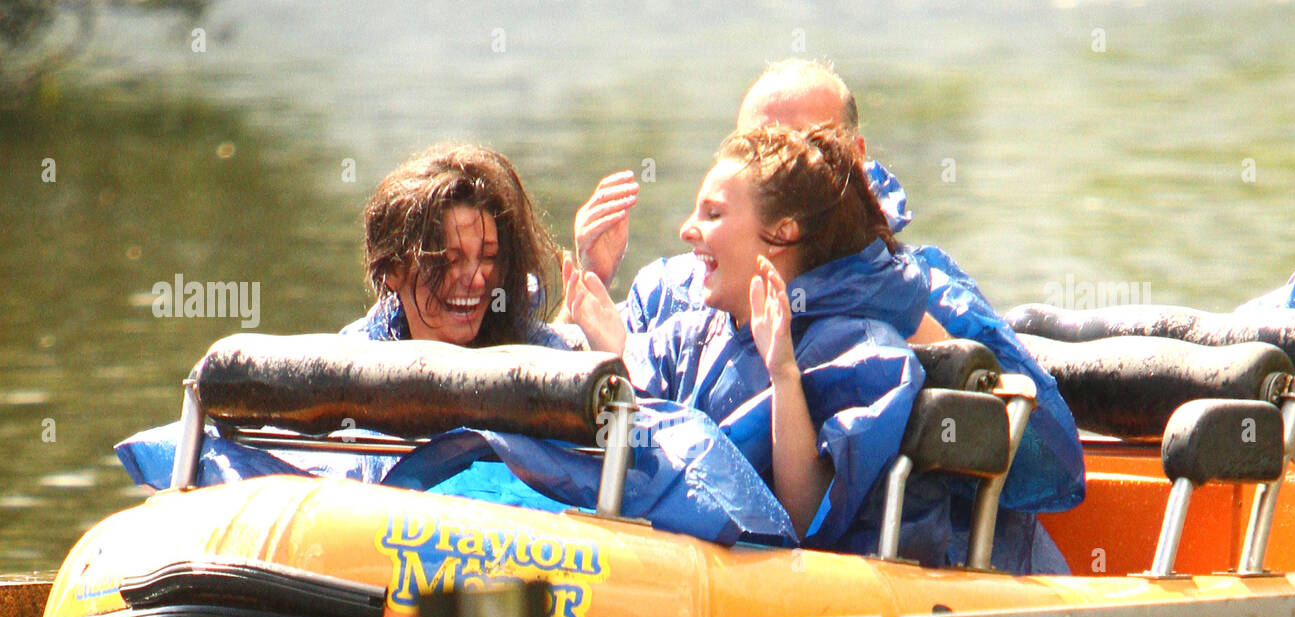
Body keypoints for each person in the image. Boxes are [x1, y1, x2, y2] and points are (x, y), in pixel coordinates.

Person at [570, 59, 1084, 571]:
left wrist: (913, 321)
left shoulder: (921, 289)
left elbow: (1052, 466)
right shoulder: (673, 288)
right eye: (762, 146)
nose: (784, 161)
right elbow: (585, 417)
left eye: (805, 143)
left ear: (854, 158)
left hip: (897, 575)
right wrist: (591, 277)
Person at [566, 123, 936, 554]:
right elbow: (632, 453)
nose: (687, 229)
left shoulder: (863, 351)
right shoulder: (693, 334)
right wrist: (614, 357)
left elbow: (803, 521)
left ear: (783, 232)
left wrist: (783, 374)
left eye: (713, 214)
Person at [341, 144, 585, 349]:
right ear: (393, 269)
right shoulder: (355, 356)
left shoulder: (540, 353)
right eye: (450, 260)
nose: (477, 280)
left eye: (489, 257)